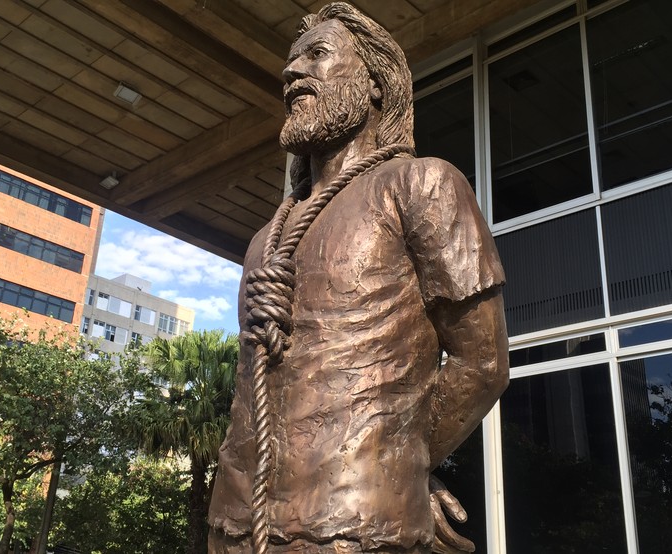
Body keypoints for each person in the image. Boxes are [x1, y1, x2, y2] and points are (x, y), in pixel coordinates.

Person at [207, 3, 508, 553]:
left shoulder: (423, 185)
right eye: (291, 61)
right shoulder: (265, 238)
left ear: (373, 82)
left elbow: (482, 362)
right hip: (233, 524)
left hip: (353, 523)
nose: (292, 72)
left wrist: (403, 464)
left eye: (317, 55)